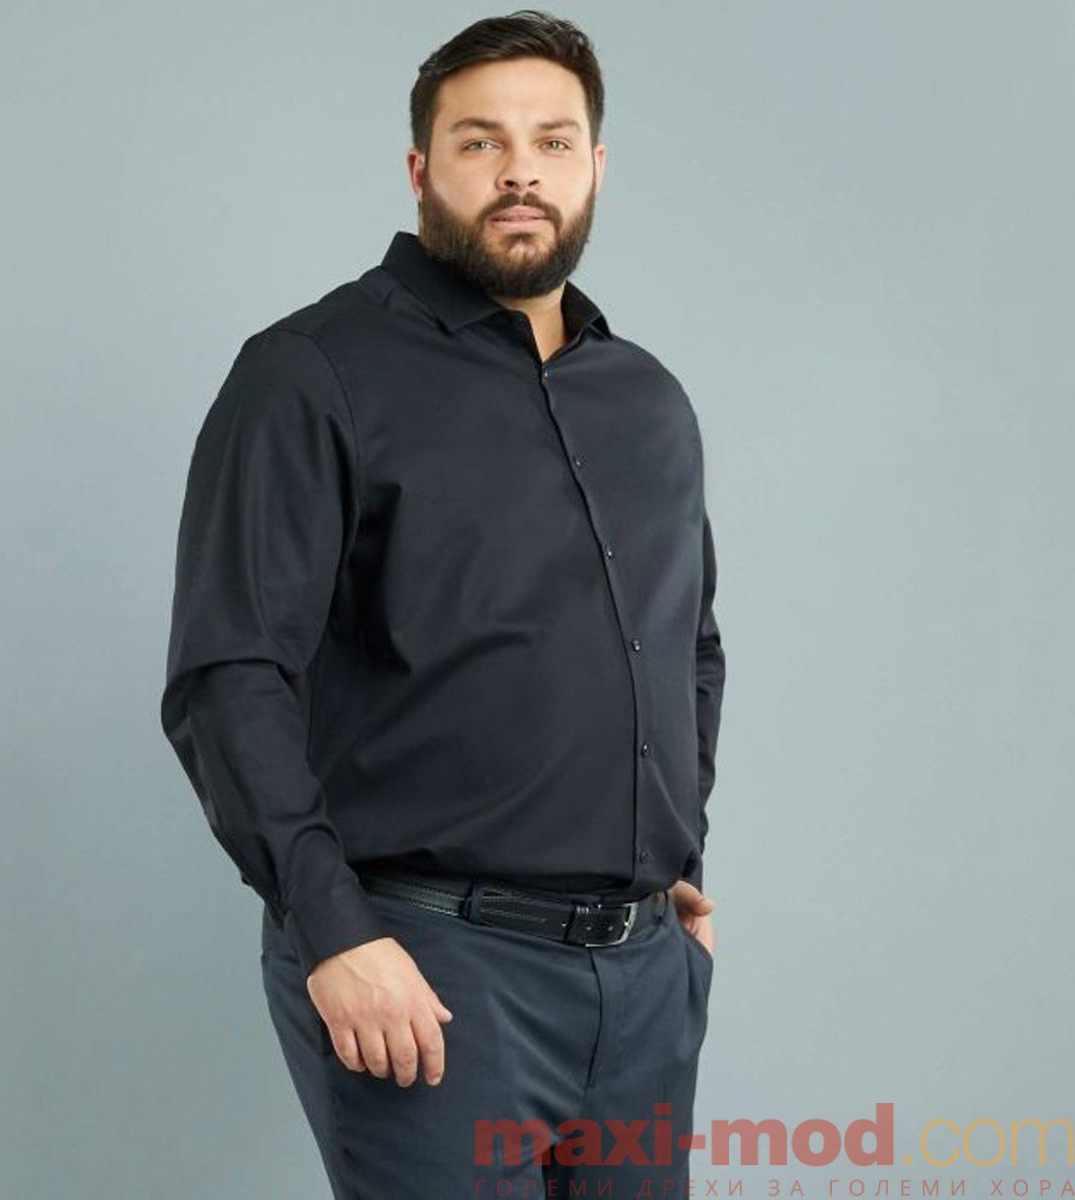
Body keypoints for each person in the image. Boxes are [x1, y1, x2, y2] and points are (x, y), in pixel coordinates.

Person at [159, 10, 727, 1195]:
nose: (521, 170)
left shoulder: (648, 399)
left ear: (595, 166)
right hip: (426, 967)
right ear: (421, 169)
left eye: (552, 141)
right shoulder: (312, 374)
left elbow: (688, 647)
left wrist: (669, 857)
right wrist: (334, 931)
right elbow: (230, 676)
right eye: (481, 142)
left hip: (642, 983)